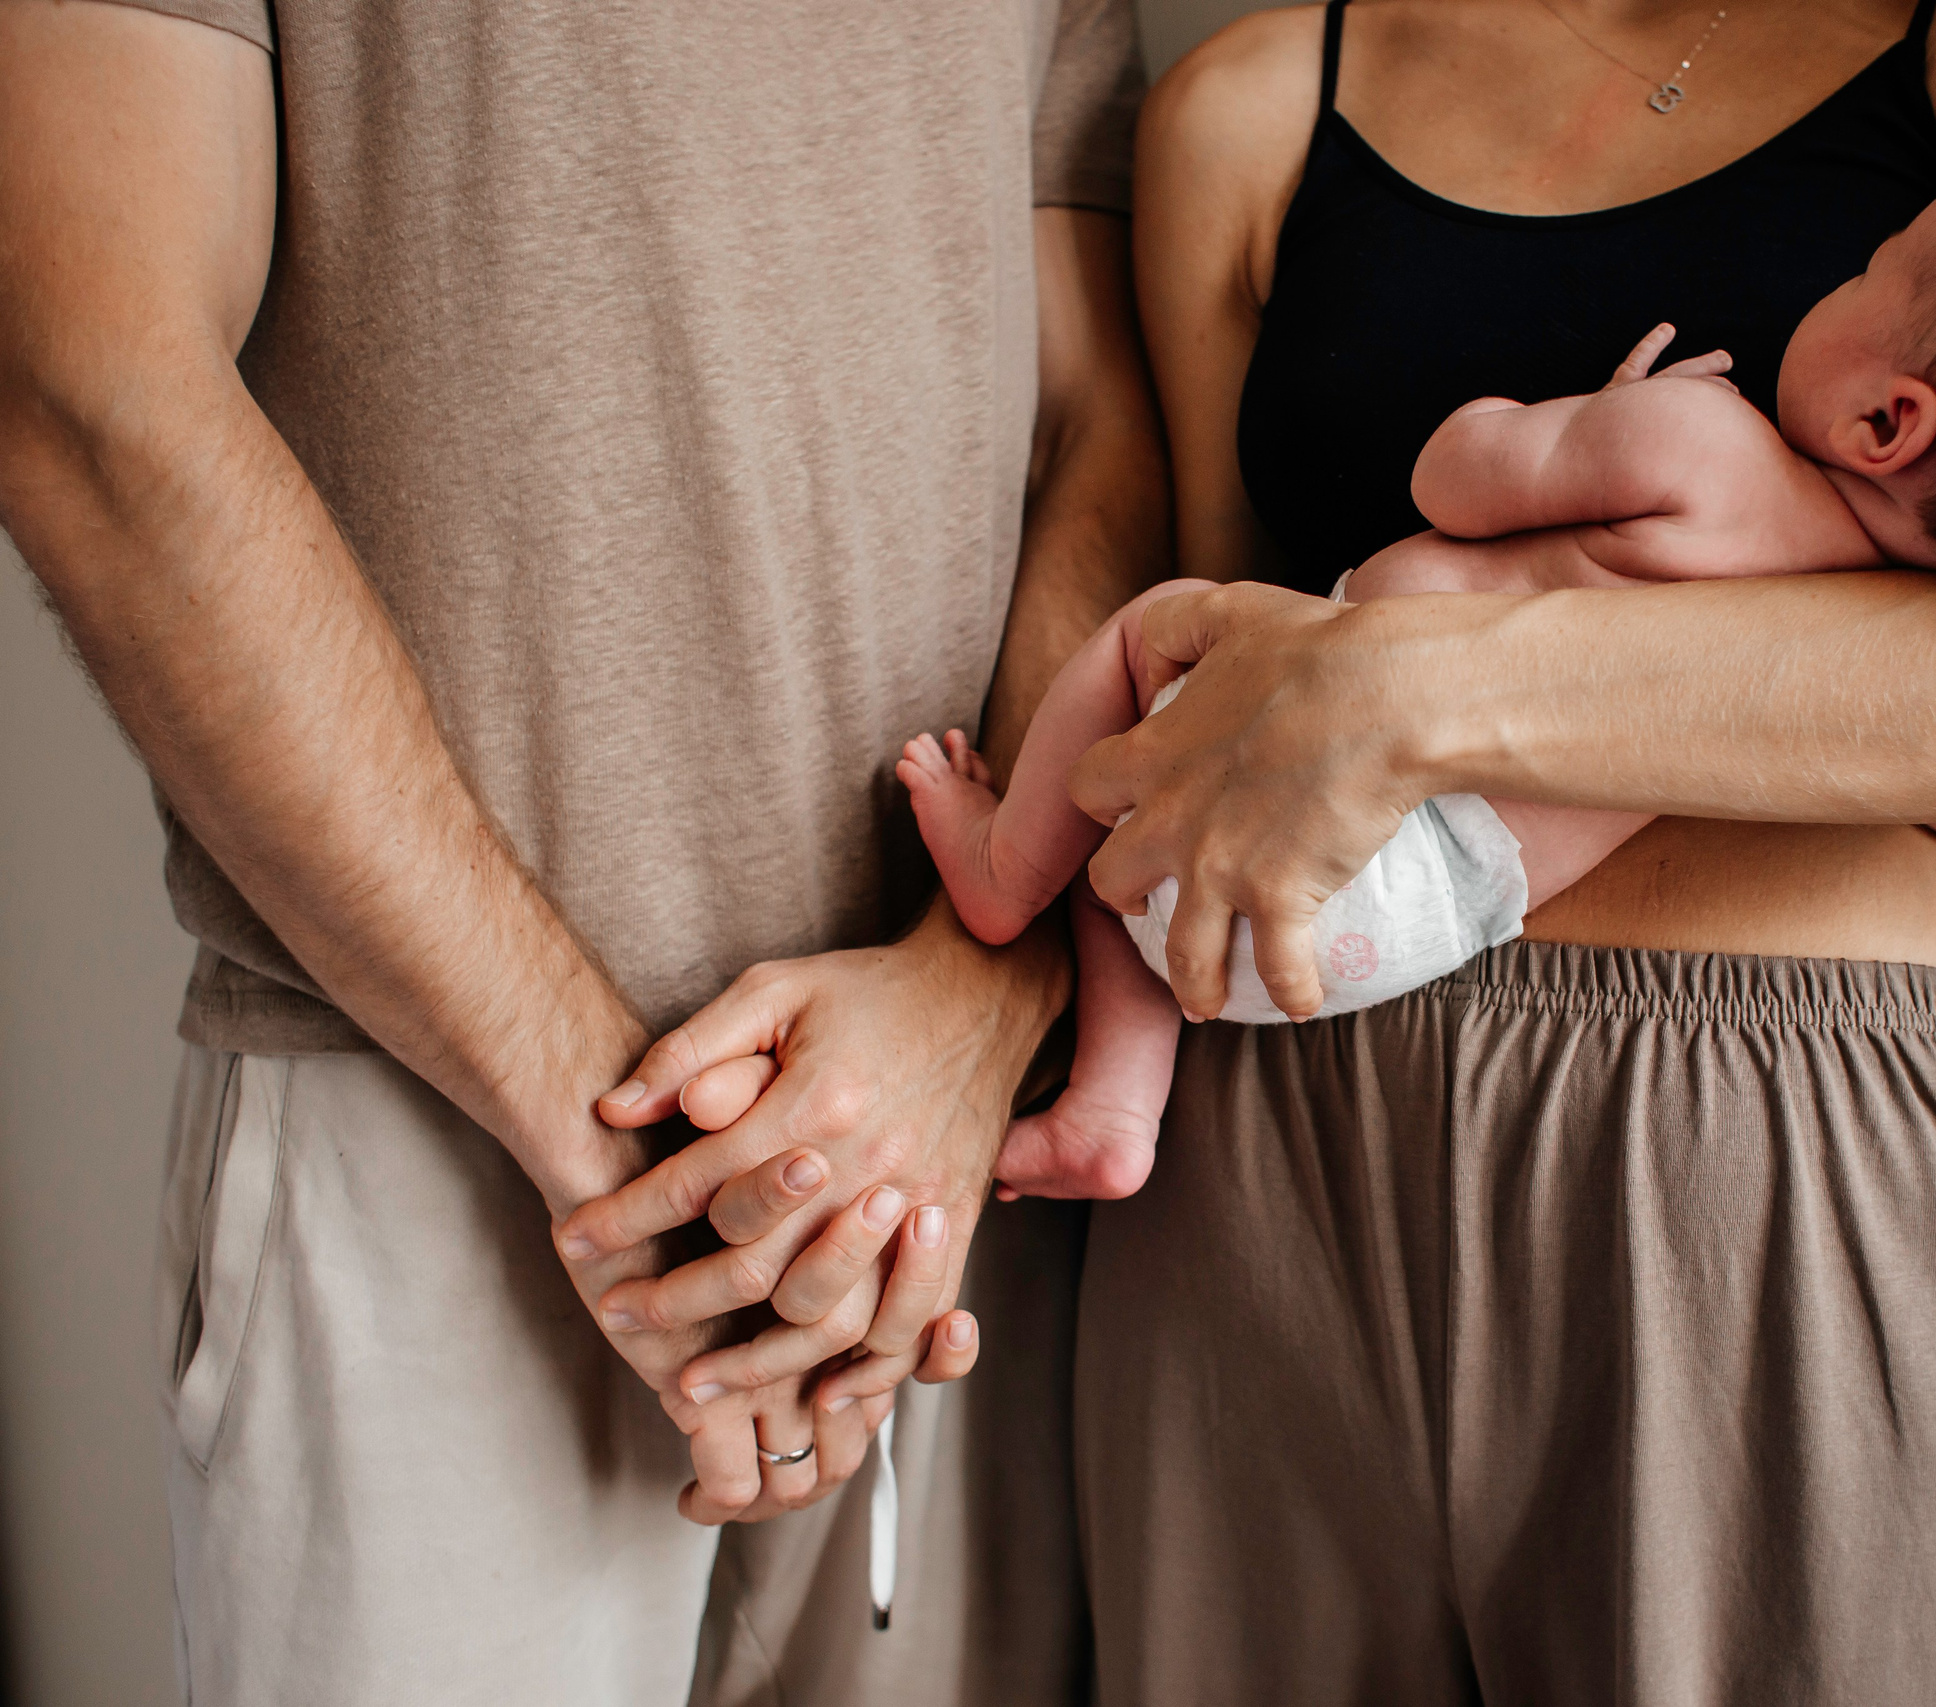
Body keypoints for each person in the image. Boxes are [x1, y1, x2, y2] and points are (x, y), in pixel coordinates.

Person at [1051, 0, 1936, 1700]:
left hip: (1759, 1154)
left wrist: (1423, 692)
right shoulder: (1250, 104)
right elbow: (1198, 681)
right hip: (1258, 1148)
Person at [0, 1, 1160, 1702]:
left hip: (942, 1184)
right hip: (437, 1125)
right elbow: (89, 374)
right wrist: (645, 1183)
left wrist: (975, 996)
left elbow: (1098, 412)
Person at [881, 155, 1936, 1197]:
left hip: (1309, 808)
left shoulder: (1708, 455)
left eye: (1880, 266)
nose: (1851, 272)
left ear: (1890, 419)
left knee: (1155, 638)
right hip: (1433, 924)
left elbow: (1454, 471)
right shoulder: (1910, 667)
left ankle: (1007, 878)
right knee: (1162, 865)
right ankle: (1114, 1118)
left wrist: (1609, 419)